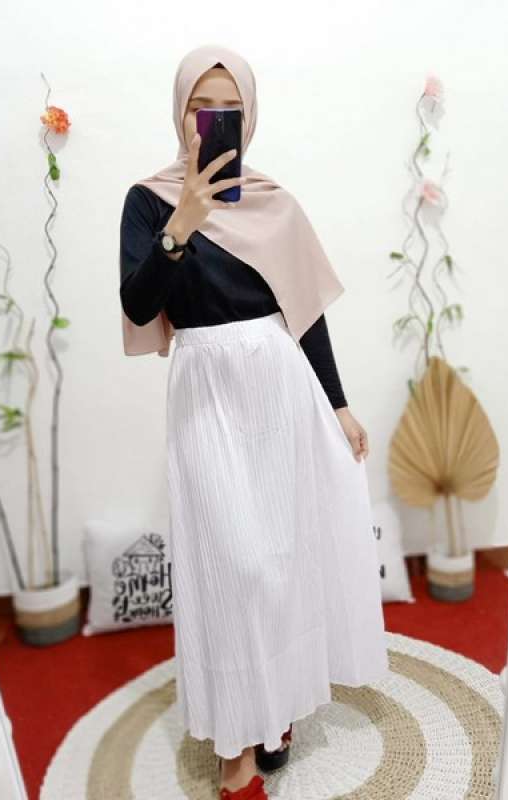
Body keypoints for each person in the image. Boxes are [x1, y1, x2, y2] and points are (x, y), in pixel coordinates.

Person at [119, 44, 389, 800]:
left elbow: (305, 314)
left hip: (278, 387)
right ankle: (234, 738)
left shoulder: (274, 203)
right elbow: (139, 305)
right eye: (201, 107)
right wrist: (183, 223)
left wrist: (338, 404)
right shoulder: (149, 201)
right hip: (206, 390)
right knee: (231, 565)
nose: (214, 122)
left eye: (229, 110)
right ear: (180, 114)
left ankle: (278, 711)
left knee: (279, 560)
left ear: (250, 117)